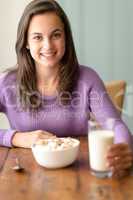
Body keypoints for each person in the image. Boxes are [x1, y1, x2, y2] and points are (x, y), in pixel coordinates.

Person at [0, 0, 132, 178]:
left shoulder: (87, 79)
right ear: (26, 42)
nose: (48, 45)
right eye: (37, 37)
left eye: (55, 35)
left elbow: (114, 124)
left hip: (81, 174)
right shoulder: (7, 83)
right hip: (25, 176)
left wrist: (124, 148)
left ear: (66, 37)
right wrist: (18, 138)